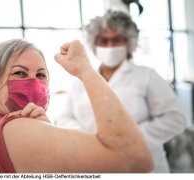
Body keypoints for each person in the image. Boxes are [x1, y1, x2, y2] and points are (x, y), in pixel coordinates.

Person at [0, 39, 153, 173]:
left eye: (40, 75)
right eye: (20, 73)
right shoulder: (13, 128)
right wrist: (85, 69)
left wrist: (44, 129)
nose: (33, 82)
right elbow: (133, 158)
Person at [56, 10, 186, 173]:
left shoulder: (147, 76)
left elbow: (175, 118)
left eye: (116, 40)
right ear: (94, 44)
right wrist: (88, 140)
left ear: (128, 43)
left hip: (144, 168)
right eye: (103, 40)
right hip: (95, 163)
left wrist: (129, 139)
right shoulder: (80, 81)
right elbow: (64, 118)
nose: (110, 46)